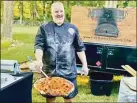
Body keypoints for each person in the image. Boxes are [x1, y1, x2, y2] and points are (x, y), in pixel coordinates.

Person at [34, 1, 89, 103]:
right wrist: (38, 60)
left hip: (68, 71)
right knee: (50, 98)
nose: (59, 14)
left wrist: (85, 65)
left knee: (69, 99)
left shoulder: (72, 28)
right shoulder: (44, 28)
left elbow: (80, 48)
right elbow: (39, 46)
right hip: (50, 71)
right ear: (52, 13)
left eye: (61, 11)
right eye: (56, 11)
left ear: (64, 12)